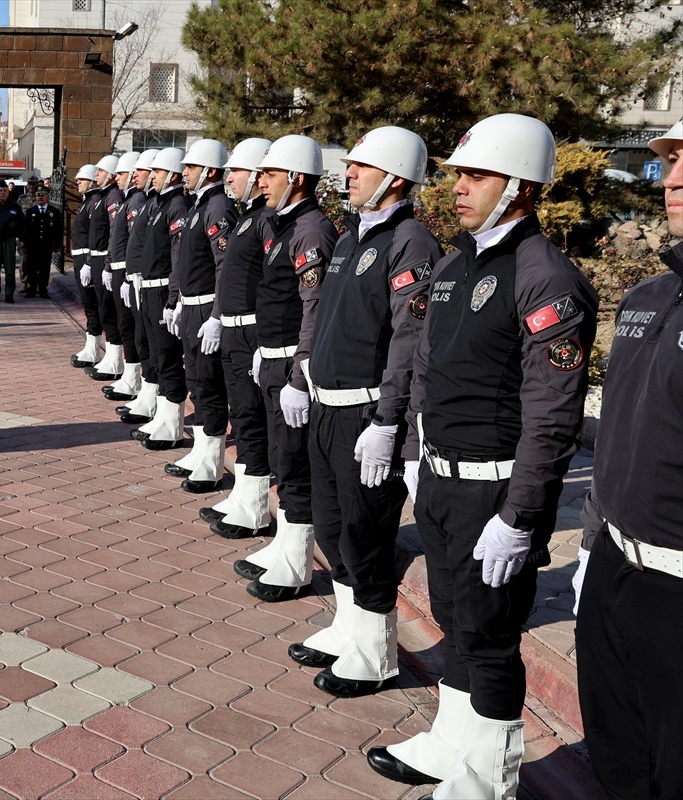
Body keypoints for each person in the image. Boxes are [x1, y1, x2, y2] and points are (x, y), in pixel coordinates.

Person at [366, 114, 597, 799]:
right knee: (457, 622)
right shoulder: (458, 262)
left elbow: (553, 414)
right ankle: (452, 743)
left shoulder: (545, 277)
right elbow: (430, 367)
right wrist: (412, 449)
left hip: (494, 494)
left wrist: (521, 516)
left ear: (520, 186)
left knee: (491, 639)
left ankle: (490, 778)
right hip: (440, 476)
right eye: (458, 175)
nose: (458, 188)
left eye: (475, 176)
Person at [290, 126, 443, 699]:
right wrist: (303, 370)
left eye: (361, 166)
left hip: (366, 418)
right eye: (349, 165)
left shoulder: (411, 243)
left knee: (365, 533)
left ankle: (377, 652)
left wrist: (389, 422)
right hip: (328, 408)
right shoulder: (354, 237)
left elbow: (409, 339)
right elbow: (327, 317)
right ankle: (349, 627)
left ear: (395, 179)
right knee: (332, 526)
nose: (348, 173)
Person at [573, 118, 682, 800]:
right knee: (618, 767)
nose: (673, 181)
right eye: (672, 165)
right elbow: (617, 436)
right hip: (615, 569)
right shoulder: (647, 297)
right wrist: (591, 544)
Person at [225, 136, 337, 607]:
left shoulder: (310, 230)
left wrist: (297, 374)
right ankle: (285, 547)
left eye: (270, 174)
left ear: (297, 178)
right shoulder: (284, 225)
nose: (261, 181)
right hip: (272, 356)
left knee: (294, 465)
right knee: (281, 456)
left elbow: (312, 310)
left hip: (292, 364)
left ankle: (295, 562)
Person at [193, 137, 274, 537]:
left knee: (251, 420)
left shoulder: (265, 220)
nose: (231, 178)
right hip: (234, 328)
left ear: (259, 175)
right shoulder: (247, 216)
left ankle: (256, 506)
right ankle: (244, 494)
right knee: (241, 416)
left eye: (238, 171)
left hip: (251, 331)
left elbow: (275, 285)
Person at [166, 139, 237, 493]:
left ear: (209, 170)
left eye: (190, 167)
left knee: (209, 387)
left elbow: (224, 266)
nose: (184, 173)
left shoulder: (218, 207)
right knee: (195, 382)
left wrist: (217, 315)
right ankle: (199, 451)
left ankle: (211, 462)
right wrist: (179, 300)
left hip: (207, 307)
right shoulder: (198, 205)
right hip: (192, 306)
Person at [130, 147, 191, 451]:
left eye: (158, 172)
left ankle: (173, 422)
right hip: (150, 287)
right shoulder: (160, 204)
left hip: (163, 288)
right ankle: (163, 415)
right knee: (156, 354)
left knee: (167, 357)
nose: (152, 176)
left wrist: (173, 297)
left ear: (173, 175)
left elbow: (178, 255)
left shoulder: (177, 206)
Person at [114, 149, 161, 424]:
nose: (132, 177)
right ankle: (146, 391)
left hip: (153, 283)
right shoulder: (146, 202)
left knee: (155, 347)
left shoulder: (148, 202)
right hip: (137, 279)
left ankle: (153, 398)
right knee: (141, 339)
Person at [100, 151, 144, 399]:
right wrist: (109, 264)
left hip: (127, 272)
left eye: (123, 173)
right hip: (118, 269)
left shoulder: (135, 202)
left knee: (129, 327)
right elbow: (115, 239)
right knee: (123, 325)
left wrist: (127, 276)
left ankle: (133, 377)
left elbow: (133, 244)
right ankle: (130, 374)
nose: (118, 177)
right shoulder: (129, 200)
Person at [85, 155, 126, 381]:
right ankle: (110, 357)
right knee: (103, 309)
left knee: (109, 312)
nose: (96, 175)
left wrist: (107, 264)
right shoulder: (104, 196)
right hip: (100, 258)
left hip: (107, 259)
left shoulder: (113, 197)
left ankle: (115, 360)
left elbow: (113, 233)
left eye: (100, 171)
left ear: (110, 174)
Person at [70, 165, 102, 365]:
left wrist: (88, 263)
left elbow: (95, 236)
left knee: (92, 305)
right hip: (81, 258)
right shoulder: (88, 202)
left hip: (87, 258)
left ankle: (94, 349)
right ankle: (91, 346)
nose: (77, 182)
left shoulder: (94, 202)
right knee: (88, 305)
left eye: (81, 179)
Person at [20, 186, 62, 299]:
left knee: (44, 269)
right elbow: (25, 229)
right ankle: (32, 289)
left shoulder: (54, 212)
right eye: (38, 195)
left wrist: (57, 244)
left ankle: (43, 289)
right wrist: (23, 241)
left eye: (42, 195)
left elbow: (58, 229)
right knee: (32, 268)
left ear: (47, 197)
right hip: (33, 245)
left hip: (46, 245)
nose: (40, 198)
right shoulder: (31, 211)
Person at [17, 176, 38, 295]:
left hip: (37, 235)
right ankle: (24, 283)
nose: (31, 187)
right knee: (24, 261)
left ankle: (37, 284)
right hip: (24, 235)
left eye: (33, 184)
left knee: (37, 261)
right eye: (30, 184)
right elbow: (17, 218)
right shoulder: (22, 199)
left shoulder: (41, 198)